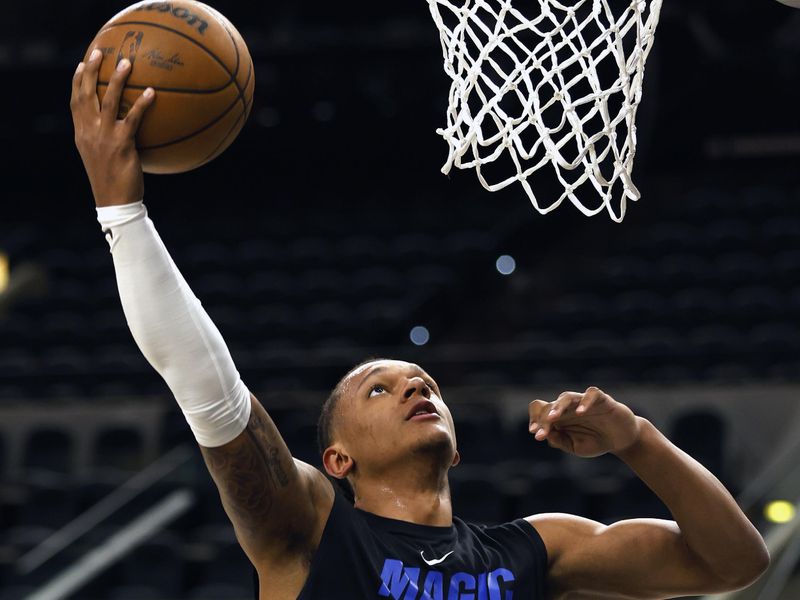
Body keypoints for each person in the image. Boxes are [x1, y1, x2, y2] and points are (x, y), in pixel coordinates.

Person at [71, 49, 770, 600]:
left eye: (425, 383)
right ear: (337, 459)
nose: (416, 389)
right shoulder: (312, 527)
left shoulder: (535, 550)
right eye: (380, 389)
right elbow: (210, 392)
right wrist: (121, 214)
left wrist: (637, 440)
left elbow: (733, 563)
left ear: (458, 449)